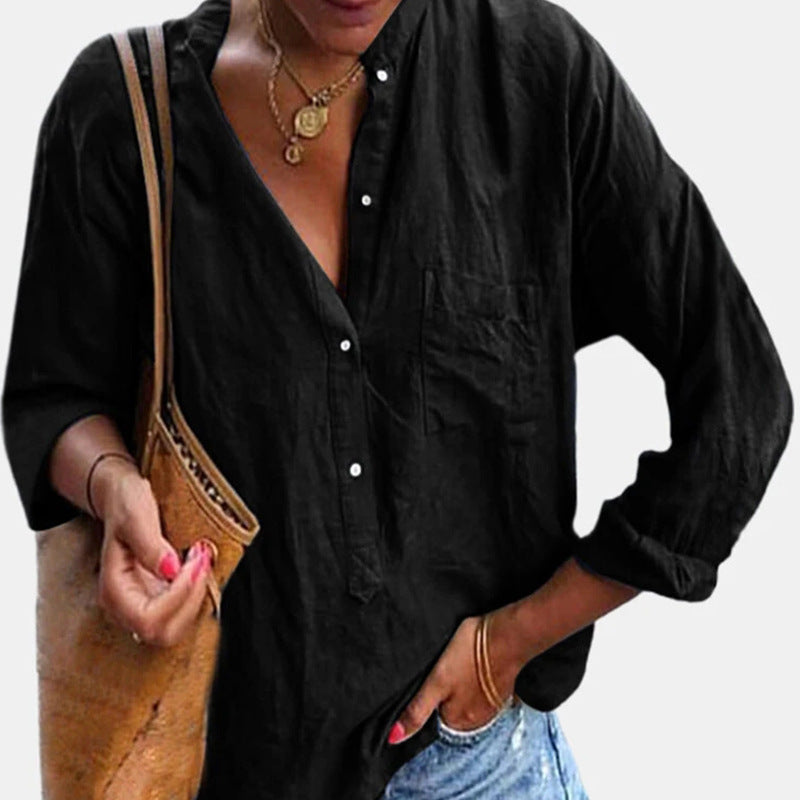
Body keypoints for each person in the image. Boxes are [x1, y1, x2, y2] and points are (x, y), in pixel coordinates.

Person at [1, 0, 792, 798]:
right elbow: (57, 393)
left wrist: (511, 644)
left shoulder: (534, 73)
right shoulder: (127, 106)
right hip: (223, 760)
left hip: (478, 769)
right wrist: (113, 485)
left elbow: (742, 399)